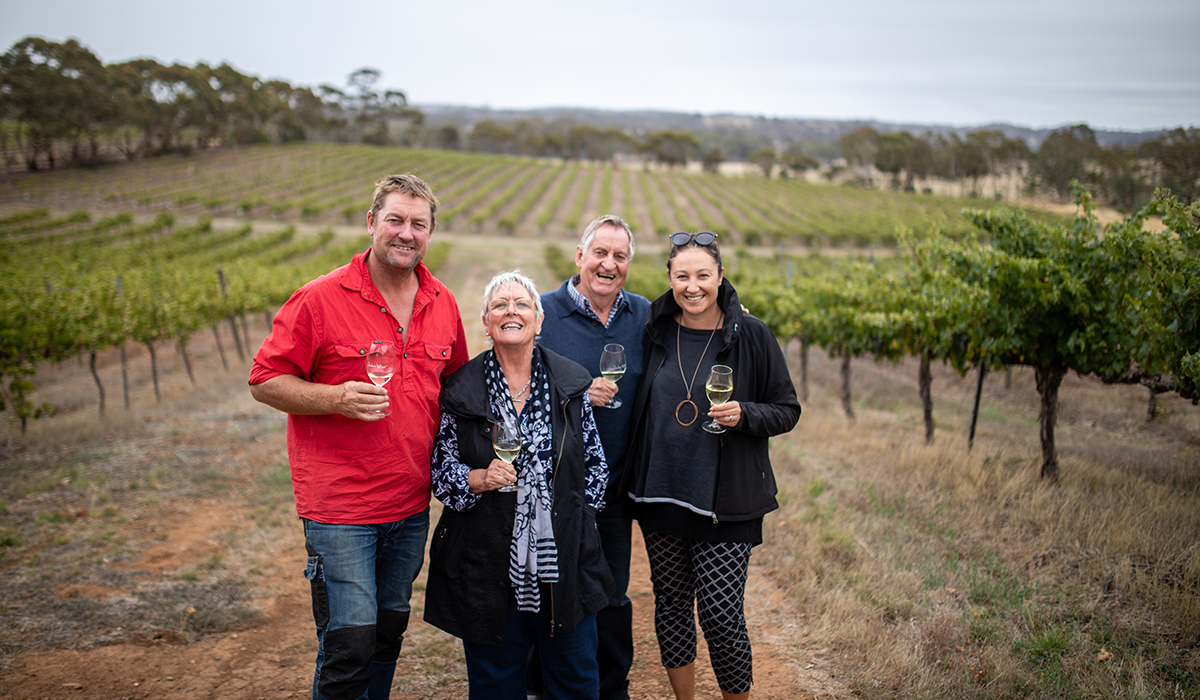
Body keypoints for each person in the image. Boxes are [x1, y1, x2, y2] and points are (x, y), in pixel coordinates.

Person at [248, 174, 469, 700]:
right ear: (371, 223)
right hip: (340, 507)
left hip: (410, 503)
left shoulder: (442, 303)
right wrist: (334, 399)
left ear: (431, 233)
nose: (405, 233)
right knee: (349, 644)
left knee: (387, 634)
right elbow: (264, 380)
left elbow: (459, 392)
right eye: (395, 219)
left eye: (418, 224)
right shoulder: (320, 299)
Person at [623, 232, 801, 700]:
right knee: (673, 607)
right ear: (669, 278)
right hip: (662, 493)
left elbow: (787, 409)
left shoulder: (752, 334)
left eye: (703, 275)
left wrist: (746, 414)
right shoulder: (654, 328)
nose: (693, 286)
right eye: (682, 276)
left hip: (726, 502)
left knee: (721, 614)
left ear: (720, 277)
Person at [425, 270, 613, 700]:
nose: (511, 311)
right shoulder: (461, 390)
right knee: (496, 682)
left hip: (562, 555)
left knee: (575, 678)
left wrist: (576, 522)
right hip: (485, 555)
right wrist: (478, 478)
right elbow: (441, 473)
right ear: (486, 321)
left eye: (521, 303)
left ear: (539, 319)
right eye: (500, 305)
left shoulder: (570, 382)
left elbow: (596, 467)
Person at [535, 214, 650, 700]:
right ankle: (541, 685)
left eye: (619, 256)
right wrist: (578, 394)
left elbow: (703, 315)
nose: (608, 264)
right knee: (552, 592)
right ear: (579, 256)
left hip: (617, 487)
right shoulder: (541, 312)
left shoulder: (644, 314)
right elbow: (518, 390)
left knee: (612, 593)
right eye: (599, 253)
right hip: (558, 485)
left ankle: (609, 687)